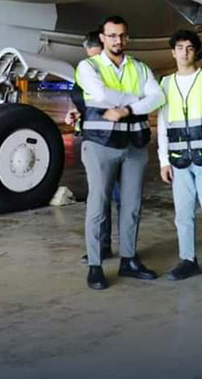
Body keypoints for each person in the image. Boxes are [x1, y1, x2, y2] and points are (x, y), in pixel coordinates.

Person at [76, 15, 164, 290]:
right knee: (98, 205)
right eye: (112, 35)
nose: (118, 40)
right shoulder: (88, 66)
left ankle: (129, 260)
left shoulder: (139, 67)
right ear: (102, 38)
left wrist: (127, 109)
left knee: (132, 205)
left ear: (127, 37)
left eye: (122, 35)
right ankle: (95, 265)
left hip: (134, 144)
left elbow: (158, 97)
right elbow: (101, 94)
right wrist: (140, 100)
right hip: (100, 144)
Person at [157, 30, 202, 286]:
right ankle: (188, 260)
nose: (184, 52)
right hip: (179, 160)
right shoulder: (166, 84)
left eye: (189, 48)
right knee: (183, 214)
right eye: (180, 48)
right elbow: (163, 124)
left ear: (196, 52)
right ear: (173, 52)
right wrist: (163, 161)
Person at [70, 31, 117, 266]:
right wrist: (77, 115)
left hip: (119, 142)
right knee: (99, 201)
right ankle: (101, 248)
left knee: (124, 202)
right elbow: (87, 106)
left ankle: (128, 254)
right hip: (95, 142)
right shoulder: (85, 72)